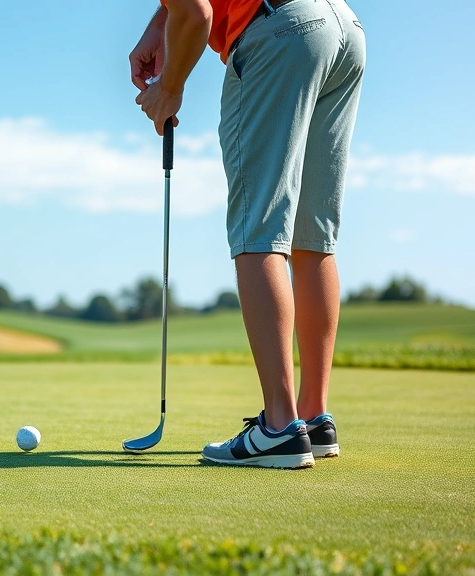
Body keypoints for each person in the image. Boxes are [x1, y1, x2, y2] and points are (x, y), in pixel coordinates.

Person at [130, 0, 365, 468]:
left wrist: (170, 88)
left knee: (259, 229)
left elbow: (196, 13)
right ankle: (313, 417)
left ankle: (279, 427)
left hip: (276, 33)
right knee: (310, 235)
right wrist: (161, 23)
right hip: (342, 28)